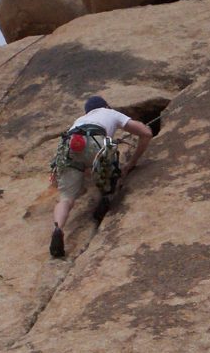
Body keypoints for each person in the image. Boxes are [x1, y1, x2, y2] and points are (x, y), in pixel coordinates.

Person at [49, 95, 152, 258]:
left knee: (66, 199)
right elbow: (145, 132)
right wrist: (131, 163)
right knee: (109, 164)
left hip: (70, 145)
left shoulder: (80, 120)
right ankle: (105, 197)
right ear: (106, 106)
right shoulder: (110, 113)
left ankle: (58, 228)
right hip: (95, 141)